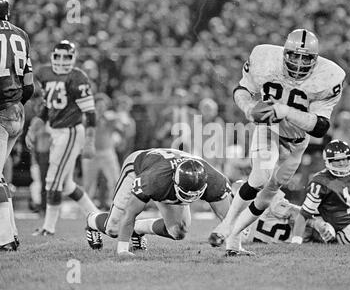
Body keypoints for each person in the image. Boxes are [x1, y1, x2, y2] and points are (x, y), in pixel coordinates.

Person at [208, 29, 346, 255]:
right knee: (260, 177)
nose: (299, 62)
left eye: (306, 58)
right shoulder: (264, 58)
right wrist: (249, 108)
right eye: (294, 55)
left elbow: (321, 127)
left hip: (298, 142)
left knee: (268, 194)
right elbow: (242, 90)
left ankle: (233, 240)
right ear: (284, 53)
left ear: (315, 59)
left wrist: (286, 111)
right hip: (268, 129)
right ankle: (226, 225)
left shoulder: (330, 76)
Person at [84, 148, 247, 257]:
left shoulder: (214, 180)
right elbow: (130, 213)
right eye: (184, 194)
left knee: (178, 232)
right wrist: (123, 251)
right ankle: (92, 220)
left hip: (169, 173)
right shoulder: (154, 180)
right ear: (175, 182)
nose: (187, 200)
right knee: (114, 229)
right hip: (137, 167)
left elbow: (229, 219)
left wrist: (235, 248)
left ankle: (137, 230)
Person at [26, 40, 100, 236]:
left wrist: (90, 142)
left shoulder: (78, 77)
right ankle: (96, 216)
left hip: (71, 131)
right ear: (52, 56)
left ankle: (48, 228)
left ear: (73, 58)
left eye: (66, 56)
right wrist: (33, 129)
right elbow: (47, 109)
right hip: (56, 130)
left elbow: (91, 113)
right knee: (66, 185)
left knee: (52, 180)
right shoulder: (43, 73)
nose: (61, 60)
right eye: (58, 56)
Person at [0, 0, 35, 251]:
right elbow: (29, 85)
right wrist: (17, 105)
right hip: (18, 111)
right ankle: (10, 234)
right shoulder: (21, 34)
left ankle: (4, 239)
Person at [81, 93, 121, 210]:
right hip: (91, 154)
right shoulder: (88, 116)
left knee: (115, 180)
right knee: (88, 184)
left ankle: (116, 206)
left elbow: (121, 128)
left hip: (107, 152)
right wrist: (98, 117)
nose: (101, 108)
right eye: (99, 105)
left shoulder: (111, 117)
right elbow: (85, 126)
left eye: (103, 105)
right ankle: (87, 209)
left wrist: (115, 121)